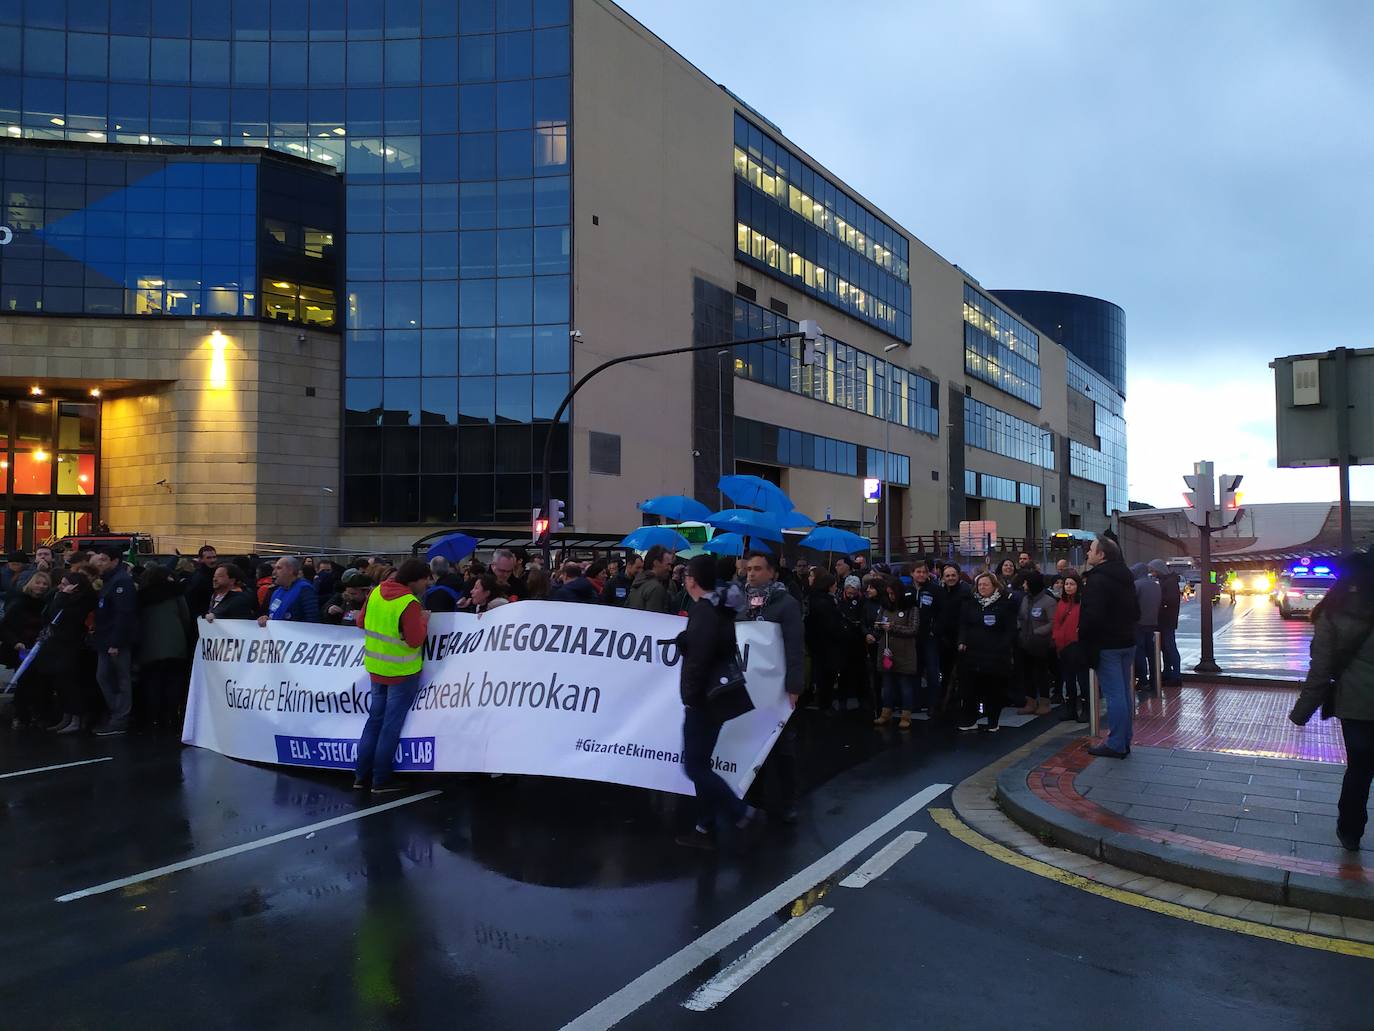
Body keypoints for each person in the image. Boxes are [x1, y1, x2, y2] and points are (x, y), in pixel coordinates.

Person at [673, 554, 760, 849]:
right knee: (701, 764)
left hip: (704, 700)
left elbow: (700, 659)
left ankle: (740, 812)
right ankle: (704, 827)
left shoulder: (704, 612)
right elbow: (710, 646)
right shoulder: (717, 608)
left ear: (692, 580)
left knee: (695, 767)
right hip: (715, 697)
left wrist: (690, 696)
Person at [1290, 552, 1374, 851]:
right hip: (1357, 704)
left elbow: (1321, 669)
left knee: (1359, 769)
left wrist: (1302, 713)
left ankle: (1350, 832)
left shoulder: (1333, 611)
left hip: (1356, 706)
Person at [353, 560, 433, 794]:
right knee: (390, 726)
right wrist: (424, 622)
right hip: (401, 672)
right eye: (425, 579)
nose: (427, 583)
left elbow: (360, 622)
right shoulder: (409, 603)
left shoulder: (377, 591)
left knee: (374, 721)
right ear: (414, 580)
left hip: (376, 668)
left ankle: (360, 776)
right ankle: (381, 780)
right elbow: (415, 640)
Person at [740, 550, 805, 823]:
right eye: (749, 569)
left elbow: (794, 646)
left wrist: (794, 686)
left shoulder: (785, 604)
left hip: (777, 687)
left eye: (757, 569)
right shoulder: (742, 602)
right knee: (752, 746)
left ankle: (788, 801)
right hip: (749, 686)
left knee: (782, 747)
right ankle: (754, 800)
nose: (751, 573)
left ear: (771, 572)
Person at [1080, 536, 1140, 758]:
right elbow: (1136, 611)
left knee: (1114, 695)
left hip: (1107, 645)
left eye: (1091, 549)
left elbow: (1091, 616)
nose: (1088, 553)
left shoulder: (1097, 580)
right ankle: (1124, 739)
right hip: (1126, 641)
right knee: (1123, 693)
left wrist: (1084, 638)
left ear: (1101, 555)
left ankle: (1116, 743)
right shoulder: (1126, 577)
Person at [35, 571, 99, 735]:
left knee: (71, 685)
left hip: (71, 647)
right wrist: (59, 595)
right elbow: (49, 615)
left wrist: (63, 597)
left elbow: (62, 617)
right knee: (61, 684)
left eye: (64, 584)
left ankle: (76, 719)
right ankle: (66, 716)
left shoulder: (82, 602)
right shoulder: (59, 597)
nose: (60, 587)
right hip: (57, 646)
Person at [957, 572, 1017, 733]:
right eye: (980, 585)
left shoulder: (1004, 604)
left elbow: (1010, 629)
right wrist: (962, 641)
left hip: (995, 655)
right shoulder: (971, 603)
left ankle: (992, 721)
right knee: (971, 690)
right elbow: (964, 624)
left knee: (994, 690)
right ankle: (970, 719)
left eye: (986, 584)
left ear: (994, 586)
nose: (982, 588)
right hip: (973, 654)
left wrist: (1003, 646)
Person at [137, 563, 194, 731]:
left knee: (152, 682)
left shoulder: (141, 596)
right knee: (173, 682)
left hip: (149, 646)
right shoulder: (176, 593)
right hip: (176, 645)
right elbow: (185, 617)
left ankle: (154, 718)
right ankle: (171, 717)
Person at [89, 547, 139, 736]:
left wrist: (116, 642)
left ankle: (121, 717)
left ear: (115, 561)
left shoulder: (121, 582)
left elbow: (123, 614)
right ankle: (117, 712)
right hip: (105, 639)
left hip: (115, 641)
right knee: (105, 677)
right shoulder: (110, 581)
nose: (99, 563)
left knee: (119, 679)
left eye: (103, 559)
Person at [2, 571, 53, 728]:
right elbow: (4, 627)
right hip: (22, 648)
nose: (41, 586)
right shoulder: (18, 602)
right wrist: (16, 642)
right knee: (24, 682)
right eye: (38, 582)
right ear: (31, 583)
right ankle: (20, 716)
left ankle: (38, 714)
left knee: (40, 683)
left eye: (45, 584)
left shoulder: (46, 603)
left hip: (40, 648)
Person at [873, 578, 920, 729]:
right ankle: (885, 712)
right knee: (887, 685)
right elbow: (878, 622)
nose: (891, 597)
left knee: (905, 685)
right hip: (887, 650)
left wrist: (893, 628)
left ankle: (906, 715)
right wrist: (878, 627)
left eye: (893, 594)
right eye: (889, 594)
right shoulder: (884, 606)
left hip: (905, 651)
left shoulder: (911, 607)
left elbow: (913, 629)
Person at [1015, 570, 1058, 716]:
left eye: (1026, 582)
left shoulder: (1048, 601)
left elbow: (1053, 622)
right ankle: (1030, 701)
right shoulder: (1026, 599)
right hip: (1024, 642)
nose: (1024, 585)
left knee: (1041, 673)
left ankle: (1044, 702)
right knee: (1027, 673)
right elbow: (1020, 617)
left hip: (1041, 644)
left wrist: (1038, 632)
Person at [1052, 572, 1090, 722]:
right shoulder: (1061, 603)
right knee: (1068, 679)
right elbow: (1056, 622)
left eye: (1072, 584)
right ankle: (1071, 709)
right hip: (1063, 646)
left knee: (1082, 679)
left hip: (1078, 645)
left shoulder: (1083, 603)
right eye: (1066, 584)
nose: (1068, 587)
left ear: (1078, 586)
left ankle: (1086, 709)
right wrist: (1056, 637)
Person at [804, 572, 845, 713]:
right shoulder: (825, 602)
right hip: (827, 644)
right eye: (834, 585)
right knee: (827, 676)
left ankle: (824, 702)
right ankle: (825, 705)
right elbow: (831, 625)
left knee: (823, 674)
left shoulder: (813, 599)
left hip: (817, 643)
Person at [935, 564, 970, 713]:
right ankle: (946, 701)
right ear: (943, 577)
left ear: (958, 575)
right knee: (946, 670)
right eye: (947, 575)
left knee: (962, 672)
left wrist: (963, 639)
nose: (950, 578)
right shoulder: (940, 591)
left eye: (953, 575)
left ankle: (962, 701)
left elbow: (966, 617)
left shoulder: (965, 591)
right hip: (944, 638)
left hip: (960, 637)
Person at [907, 562, 942, 713]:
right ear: (912, 573)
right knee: (914, 670)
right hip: (911, 637)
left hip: (929, 637)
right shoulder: (906, 590)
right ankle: (915, 702)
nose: (921, 574)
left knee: (932, 671)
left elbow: (941, 612)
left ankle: (933, 703)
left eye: (924, 572)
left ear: (928, 574)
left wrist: (935, 629)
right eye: (918, 572)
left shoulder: (935, 590)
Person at [257, 556, 320, 626]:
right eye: (274, 569)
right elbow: (273, 615)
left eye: (279, 568)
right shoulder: (276, 591)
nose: (274, 572)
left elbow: (312, 621)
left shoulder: (305, 589)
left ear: (290, 570)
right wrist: (266, 619)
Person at [1149, 559, 1183, 686]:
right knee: (1165, 647)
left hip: (1166, 620)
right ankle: (1169, 672)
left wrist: (1158, 600)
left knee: (1169, 646)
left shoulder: (1169, 582)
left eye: (1153, 570)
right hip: (1166, 619)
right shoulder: (1167, 580)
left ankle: (1176, 675)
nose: (1152, 573)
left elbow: (1170, 600)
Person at [1132, 562, 1162, 693]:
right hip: (1153, 623)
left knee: (1139, 653)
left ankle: (1143, 680)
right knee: (1152, 654)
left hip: (1138, 624)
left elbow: (1131, 604)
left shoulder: (1136, 585)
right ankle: (1155, 680)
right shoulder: (1155, 585)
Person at [626, 545, 676, 613]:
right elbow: (655, 620)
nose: (670, 569)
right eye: (668, 564)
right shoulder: (656, 588)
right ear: (656, 563)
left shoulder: (638, 582)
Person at [184, 544, 219, 619]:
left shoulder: (218, 573)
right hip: (202, 618)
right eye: (209, 558)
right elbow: (191, 600)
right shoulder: (197, 577)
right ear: (201, 559)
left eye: (214, 557)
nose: (213, 560)